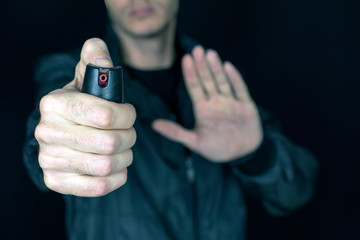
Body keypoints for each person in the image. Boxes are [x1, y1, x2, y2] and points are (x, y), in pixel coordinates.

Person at [23, 0, 318, 239]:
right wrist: (58, 143)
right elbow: (48, 126)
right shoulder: (72, 74)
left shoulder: (217, 79)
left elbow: (296, 191)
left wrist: (255, 154)